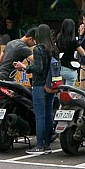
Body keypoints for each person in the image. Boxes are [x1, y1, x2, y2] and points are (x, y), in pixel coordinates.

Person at [28, 24, 56, 154]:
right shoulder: (53, 48)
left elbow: (38, 68)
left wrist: (27, 67)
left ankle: (39, 145)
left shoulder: (38, 49)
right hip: (51, 85)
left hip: (39, 84)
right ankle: (47, 144)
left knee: (39, 116)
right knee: (48, 115)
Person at [57, 18, 84, 87]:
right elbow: (83, 53)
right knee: (69, 92)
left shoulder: (58, 38)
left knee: (59, 90)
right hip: (70, 69)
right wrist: (80, 35)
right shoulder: (73, 40)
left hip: (59, 69)